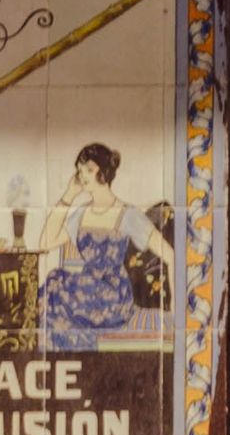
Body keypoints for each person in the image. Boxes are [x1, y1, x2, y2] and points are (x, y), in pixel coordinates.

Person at [36, 142, 165, 353]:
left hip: (113, 295)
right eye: (80, 171)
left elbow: (169, 253)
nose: (83, 176)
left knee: (56, 286)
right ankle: (57, 358)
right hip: (86, 288)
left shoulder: (127, 214)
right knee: (53, 281)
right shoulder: (81, 213)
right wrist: (69, 195)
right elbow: (45, 242)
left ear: (104, 171)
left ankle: (69, 357)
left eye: (89, 169)